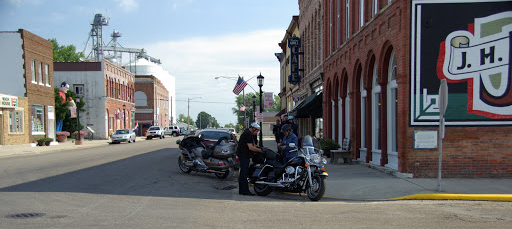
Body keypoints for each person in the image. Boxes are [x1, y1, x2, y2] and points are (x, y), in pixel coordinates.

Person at [237, 122, 263, 196]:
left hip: (244, 155)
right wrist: (260, 150)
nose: (257, 132)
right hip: (244, 155)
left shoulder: (248, 133)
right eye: (256, 130)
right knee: (244, 173)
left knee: (243, 172)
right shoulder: (248, 134)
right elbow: (251, 147)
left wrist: (257, 147)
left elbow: (253, 145)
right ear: (253, 128)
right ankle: (245, 191)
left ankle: (242, 190)